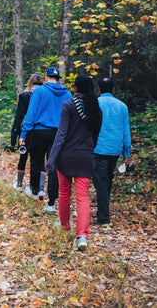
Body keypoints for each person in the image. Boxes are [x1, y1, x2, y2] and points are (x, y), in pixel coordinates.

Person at [46, 75, 102, 251]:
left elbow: (61, 134)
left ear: (76, 89)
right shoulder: (96, 108)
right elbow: (95, 136)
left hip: (66, 157)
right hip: (85, 157)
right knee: (83, 197)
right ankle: (82, 236)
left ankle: (64, 226)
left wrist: (51, 158)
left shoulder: (68, 105)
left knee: (64, 193)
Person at [19, 67, 72, 208]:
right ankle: (51, 202)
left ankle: (35, 191)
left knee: (36, 161)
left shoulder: (40, 91)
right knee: (54, 165)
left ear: (46, 77)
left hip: (40, 131)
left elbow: (31, 114)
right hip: (59, 133)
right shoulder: (67, 94)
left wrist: (24, 133)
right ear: (58, 78)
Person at [92, 77, 132, 227]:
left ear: (99, 89)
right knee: (107, 180)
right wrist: (126, 153)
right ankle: (103, 211)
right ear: (113, 90)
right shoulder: (122, 106)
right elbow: (125, 131)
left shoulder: (95, 104)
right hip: (114, 149)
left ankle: (103, 217)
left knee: (101, 182)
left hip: (98, 148)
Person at [10, 73, 44, 192]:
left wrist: (14, 134)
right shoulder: (45, 95)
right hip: (41, 130)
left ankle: (19, 184)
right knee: (40, 159)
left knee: (23, 157)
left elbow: (19, 116)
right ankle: (40, 187)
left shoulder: (24, 95)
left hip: (26, 130)